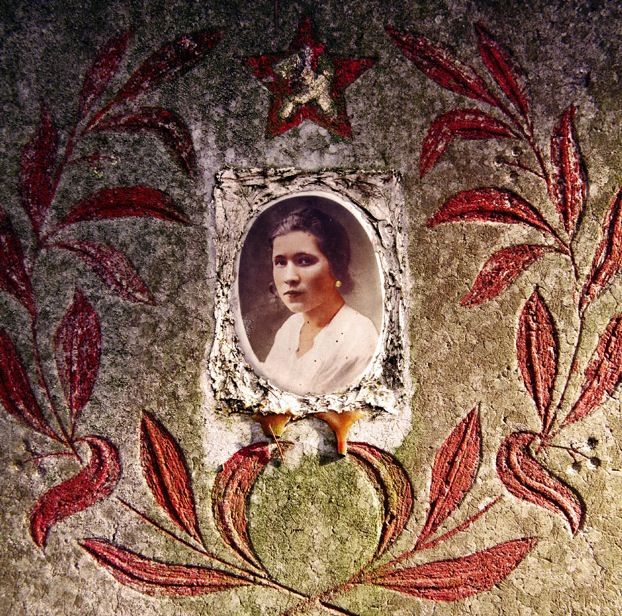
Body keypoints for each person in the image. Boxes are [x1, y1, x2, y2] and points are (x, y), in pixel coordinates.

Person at [259, 207, 378, 395]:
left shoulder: (359, 336)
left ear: (336, 266)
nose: (289, 277)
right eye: (280, 262)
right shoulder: (290, 328)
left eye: (305, 261)